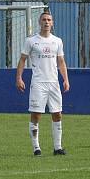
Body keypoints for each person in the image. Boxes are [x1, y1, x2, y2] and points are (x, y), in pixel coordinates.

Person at [15, 11, 70, 157]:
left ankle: (57, 148)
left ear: (52, 23)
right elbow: (22, 59)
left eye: (49, 20)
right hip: (38, 83)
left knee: (57, 114)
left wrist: (65, 79)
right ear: (40, 22)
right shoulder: (31, 41)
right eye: (44, 20)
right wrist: (19, 78)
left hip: (54, 83)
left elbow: (61, 61)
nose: (46, 22)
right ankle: (36, 148)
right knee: (36, 114)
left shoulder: (57, 41)